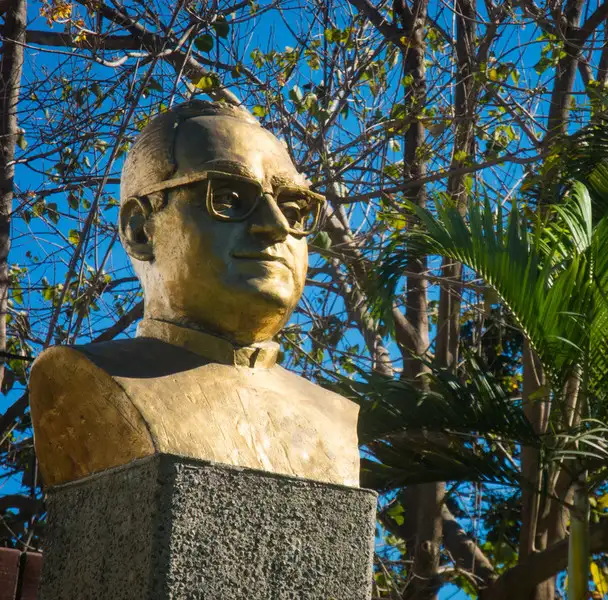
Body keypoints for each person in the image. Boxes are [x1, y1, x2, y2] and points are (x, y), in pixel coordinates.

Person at [29, 101, 360, 487]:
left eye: (292, 207)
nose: (275, 226)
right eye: (229, 199)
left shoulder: (335, 419)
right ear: (140, 229)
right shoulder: (85, 381)